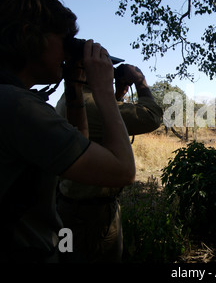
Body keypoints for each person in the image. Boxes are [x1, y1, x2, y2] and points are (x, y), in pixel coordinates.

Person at [0, 0, 136, 262]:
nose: (67, 53)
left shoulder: (3, 98)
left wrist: (75, 86)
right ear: (30, 36)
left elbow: (76, 146)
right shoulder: (17, 106)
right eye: (64, 41)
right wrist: (104, 92)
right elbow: (122, 171)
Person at [55, 64, 163, 263]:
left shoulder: (68, 100)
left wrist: (118, 94)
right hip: (94, 217)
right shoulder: (91, 102)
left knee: (67, 257)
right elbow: (151, 116)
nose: (108, 71)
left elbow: (103, 121)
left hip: (67, 207)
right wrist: (140, 80)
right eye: (103, 66)